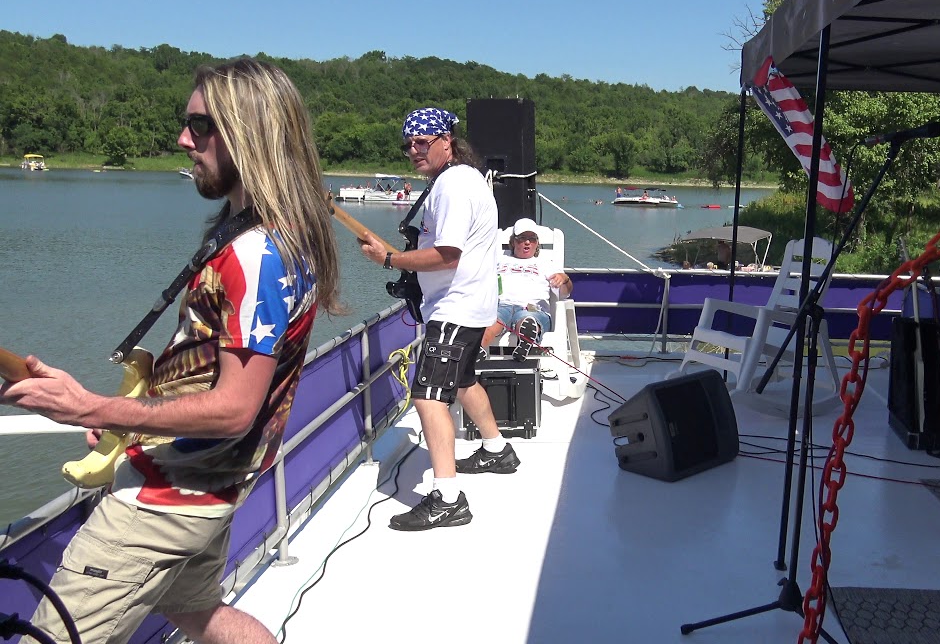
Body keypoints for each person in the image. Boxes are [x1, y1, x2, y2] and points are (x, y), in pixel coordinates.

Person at [1, 58, 343, 644]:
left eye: (201, 126)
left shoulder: (254, 252)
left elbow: (234, 407)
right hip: (212, 484)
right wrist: (126, 421)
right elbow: (209, 369)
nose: (184, 139)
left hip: (165, 500)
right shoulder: (277, 232)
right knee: (199, 614)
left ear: (250, 132)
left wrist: (93, 409)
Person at [356, 107, 517, 532]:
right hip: (469, 305)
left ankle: (447, 499)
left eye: (422, 142)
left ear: (447, 140)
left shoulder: (453, 185)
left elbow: (447, 255)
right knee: (463, 381)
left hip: (454, 307)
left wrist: (388, 258)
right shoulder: (463, 179)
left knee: (428, 396)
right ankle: (497, 450)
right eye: (408, 143)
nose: (413, 150)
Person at [481, 218, 573, 361]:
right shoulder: (498, 259)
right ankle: (476, 352)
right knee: (493, 321)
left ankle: (526, 339)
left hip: (532, 308)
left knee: (526, 319)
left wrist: (565, 280)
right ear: (513, 242)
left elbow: (565, 293)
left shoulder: (546, 263)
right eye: (522, 238)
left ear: (537, 243)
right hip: (501, 306)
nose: (527, 242)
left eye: (532, 239)